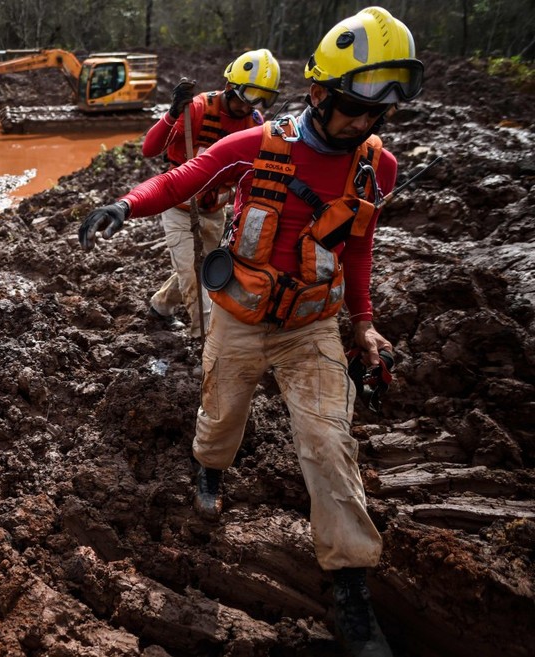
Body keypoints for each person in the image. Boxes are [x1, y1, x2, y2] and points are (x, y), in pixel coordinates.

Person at [79, 7, 423, 656]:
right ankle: (209, 469)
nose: (365, 123)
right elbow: (184, 175)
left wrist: (365, 325)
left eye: (379, 114)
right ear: (319, 93)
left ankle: (350, 582)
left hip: (312, 324)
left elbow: (358, 249)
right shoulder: (259, 144)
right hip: (238, 314)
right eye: (355, 107)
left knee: (328, 443)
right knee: (220, 420)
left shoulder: (378, 167)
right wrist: (124, 204)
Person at [142, 49, 280, 337]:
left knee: (198, 267)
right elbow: (149, 149)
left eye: (261, 98)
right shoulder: (198, 110)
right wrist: (171, 114)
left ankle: (160, 305)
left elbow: (249, 175)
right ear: (230, 87)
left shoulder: (254, 123)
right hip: (179, 207)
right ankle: (201, 338)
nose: (251, 106)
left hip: (215, 211)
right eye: (248, 96)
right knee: (194, 276)